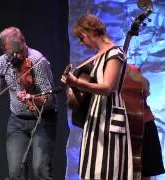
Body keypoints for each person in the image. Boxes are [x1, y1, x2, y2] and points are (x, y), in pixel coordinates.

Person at [0, 26, 58, 180]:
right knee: (15, 172)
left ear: (24, 41)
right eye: (13, 52)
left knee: (40, 170)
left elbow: (49, 99)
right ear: (4, 49)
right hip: (17, 121)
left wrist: (32, 98)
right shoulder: (3, 62)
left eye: (20, 49)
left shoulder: (37, 61)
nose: (18, 55)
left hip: (43, 120)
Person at [61, 14, 133, 180]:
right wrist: (72, 85)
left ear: (90, 32)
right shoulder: (98, 55)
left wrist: (78, 83)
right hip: (94, 115)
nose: (81, 42)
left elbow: (107, 88)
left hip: (108, 116)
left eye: (82, 37)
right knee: (93, 167)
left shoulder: (114, 53)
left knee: (107, 168)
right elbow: (89, 88)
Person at [122, 64, 165, 180]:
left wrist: (127, 70)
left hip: (142, 125)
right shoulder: (95, 69)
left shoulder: (131, 69)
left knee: (143, 173)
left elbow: (145, 87)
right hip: (119, 128)